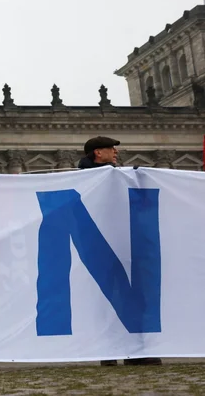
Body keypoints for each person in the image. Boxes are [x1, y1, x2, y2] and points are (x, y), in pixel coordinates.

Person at [80, 136, 161, 367]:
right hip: (100, 243)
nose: (116, 152)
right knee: (108, 299)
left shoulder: (118, 175)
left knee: (134, 295)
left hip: (123, 241)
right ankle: (112, 350)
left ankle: (133, 350)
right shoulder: (85, 178)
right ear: (98, 152)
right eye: (111, 148)